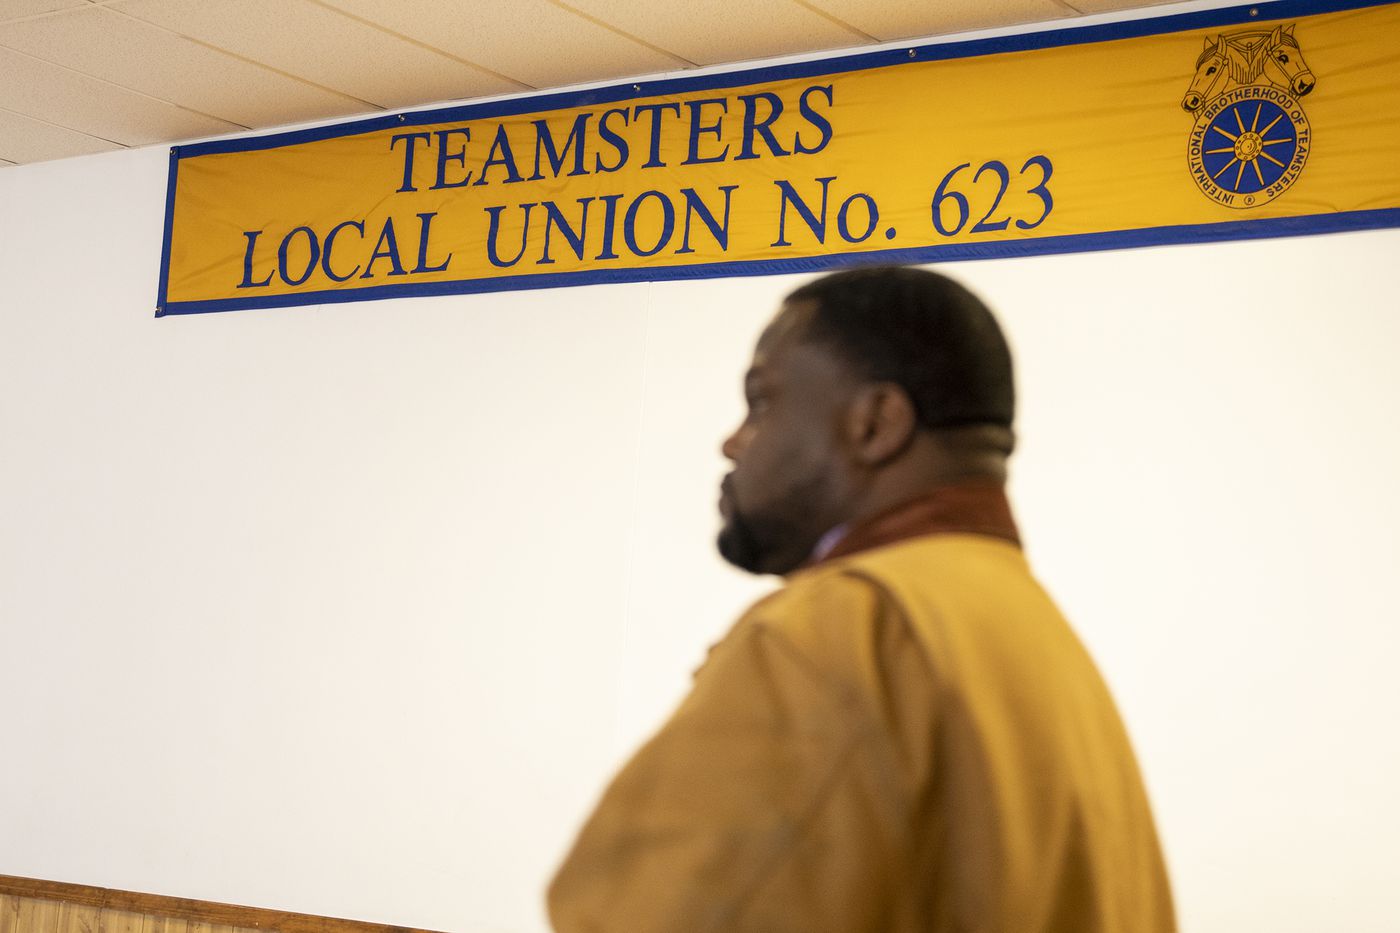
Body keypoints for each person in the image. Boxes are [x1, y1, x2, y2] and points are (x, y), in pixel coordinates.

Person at [547, 266, 1175, 932]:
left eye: (761, 402)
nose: (731, 442)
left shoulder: (840, 630)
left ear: (876, 424)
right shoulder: (1033, 630)